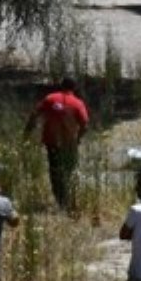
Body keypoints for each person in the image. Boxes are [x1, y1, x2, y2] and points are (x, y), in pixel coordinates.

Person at [23, 77, 90, 209]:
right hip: (70, 144)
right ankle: (70, 201)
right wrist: (78, 139)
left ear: (61, 85)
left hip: (52, 142)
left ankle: (61, 201)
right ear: (75, 88)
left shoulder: (50, 98)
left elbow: (34, 114)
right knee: (69, 171)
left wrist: (26, 133)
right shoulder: (78, 103)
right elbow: (85, 125)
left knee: (55, 172)